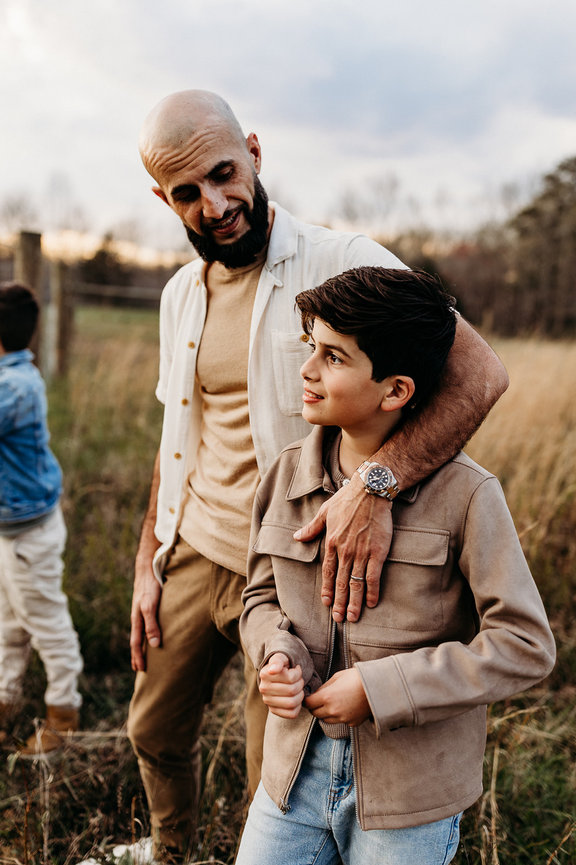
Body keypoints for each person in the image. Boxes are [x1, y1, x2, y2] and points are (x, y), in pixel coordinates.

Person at [126, 89, 509, 863]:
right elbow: (180, 440)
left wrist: (375, 485)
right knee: (151, 730)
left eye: (225, 173)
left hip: (298, 565)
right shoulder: (178, 296)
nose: (216, 203)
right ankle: (173, 849)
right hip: (195, 550)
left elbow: (480, 374)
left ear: (256, 152)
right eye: (187, 193)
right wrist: (148, 557)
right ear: (164, 199)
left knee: (282, 767)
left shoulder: (343, 261)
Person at [236, 266, 556, 865]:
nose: (307, 370)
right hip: (290, 779)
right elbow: (256, 599)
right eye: (312, 346)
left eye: (333, 356)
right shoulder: (284, 475)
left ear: (395, 391)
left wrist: (382, 689)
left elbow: (526, 645)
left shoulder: (468, 495)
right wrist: (276, 652)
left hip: (411, 796)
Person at [0, 282, 83, 755]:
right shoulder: (12, 376)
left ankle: (63, 714)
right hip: (14, 531)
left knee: (46, 622)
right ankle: (7, 699)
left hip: (29, 535)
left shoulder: (14, 386)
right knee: (9, 623)